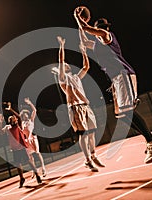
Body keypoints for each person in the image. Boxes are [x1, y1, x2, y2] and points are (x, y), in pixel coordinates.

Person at [74, 6, 152, 164]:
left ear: (101, 29)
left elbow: (87, 29)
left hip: (124, 75)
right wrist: (80, 25)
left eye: (99, 29)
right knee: (121, 116)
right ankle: (150, 136)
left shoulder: (107, 36)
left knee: (127, 112)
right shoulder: (98, 45)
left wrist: (78, 19)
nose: (99, 31)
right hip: (116, 79)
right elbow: (83, 41)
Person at [55, 36, 105, 172]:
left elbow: (86, 66)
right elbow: (60, 60)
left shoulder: (76, 77)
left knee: (92, 133)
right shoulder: (62, 78)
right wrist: (61, 46)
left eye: (66, 64)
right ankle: (87, 160)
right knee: (82, 134)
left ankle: (93, 155)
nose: (65, 64)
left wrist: (83, 51)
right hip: (75, 107)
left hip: (85, 105)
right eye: (63, 65)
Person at [0, 113, 42, 188]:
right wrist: (0, 122)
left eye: (13, 118)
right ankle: (22, 178)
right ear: (9, 121)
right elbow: (0, 132)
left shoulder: (18, 125)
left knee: (29, 161)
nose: (13, 119)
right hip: (15, 149)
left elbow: (18, 117)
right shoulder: (7, 127)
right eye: (11, 118)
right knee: (18, 165)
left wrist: (11, 111)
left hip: (21, 148)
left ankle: (37, 175)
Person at [6, 98, 47, 178]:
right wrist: (10, 109)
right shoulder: (22, 123)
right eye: (23, 115)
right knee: (30, 157)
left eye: (25, 114)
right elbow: (17, 117)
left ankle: (43, 168)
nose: (24, 115)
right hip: (26, 141)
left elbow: (34, 111)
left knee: (37, 153)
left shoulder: (31, 120)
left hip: (32, 138)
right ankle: (34, 170)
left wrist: (30, 103)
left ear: (27, 115)